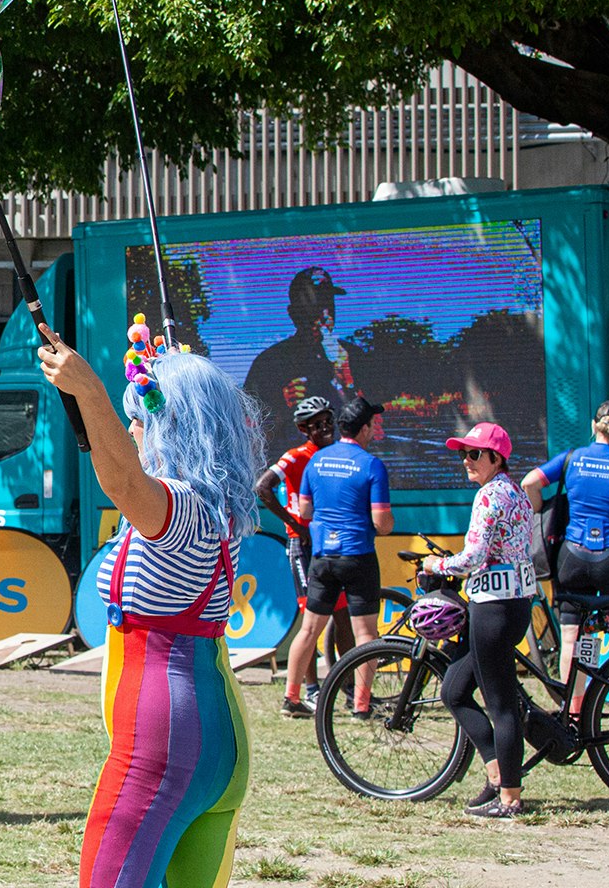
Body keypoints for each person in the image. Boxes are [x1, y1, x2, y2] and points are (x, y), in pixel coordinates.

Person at [37, 322, 256, 888]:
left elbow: (124, 484)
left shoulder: (179, 507)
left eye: (141, 417)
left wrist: (89, 392)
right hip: (220, 743)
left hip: (160, 749)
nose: (132, 428)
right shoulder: (223, 512)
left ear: (172, 425)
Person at [428, 423, 535, 819]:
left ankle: (510, 798)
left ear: (497, 458)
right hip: (510, 605)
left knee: (502, 704)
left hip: (494, 608)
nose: (467, 461)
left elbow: (472, 558)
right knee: (454, 690)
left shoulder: (490, 496)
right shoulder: (517, 493)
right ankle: (496, 773)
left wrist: (436, 563)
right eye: (464, 454)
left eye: (475, 454)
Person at [283, 397, 393, 718]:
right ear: (363, 429)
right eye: (372, 425)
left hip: (322, 557)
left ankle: (291, 698)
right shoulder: (371, 465)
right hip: (357, 555)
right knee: (366, 635)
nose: (374, 431)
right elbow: (381, 523)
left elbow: (304, 510)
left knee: (309, 630)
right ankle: (360, 704)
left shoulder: (317, 461)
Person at [521, 398, 609, 704]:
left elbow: (529, 482)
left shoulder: (573, 458)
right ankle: (600, 710)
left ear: (593, 426)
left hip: (572, 558)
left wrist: (538, 509)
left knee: (575, 637)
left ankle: (573, 712)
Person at [254, 396, 340, 713]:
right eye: (318, 424)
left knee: (341, 614)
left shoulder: (334, 455)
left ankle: (346, 684)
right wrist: (293, 523)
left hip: (329, 542)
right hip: (302, 544)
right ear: (304, 428)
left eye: (330, 421)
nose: (326, 428)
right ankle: (308, 690)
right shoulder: (295, 456)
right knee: (311, 619)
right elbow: (263, 487)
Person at [242, 268, 367, 456]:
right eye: (313, 305)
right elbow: (249, 434)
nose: (324, 314)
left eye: (328, 304)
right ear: (293, 314)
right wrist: (281, 407)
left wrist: (347, 383)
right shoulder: (269, 363)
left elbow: (379, 428)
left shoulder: (355, 357)